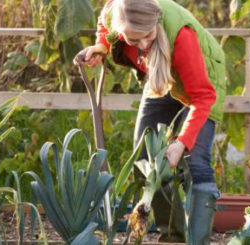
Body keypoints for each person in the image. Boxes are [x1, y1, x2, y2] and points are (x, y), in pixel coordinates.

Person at [75, 0, 226, 243]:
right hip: (160, 75)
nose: (143, 44)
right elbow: (105, 25)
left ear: (156, 22)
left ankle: (198, 241)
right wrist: (101, 46)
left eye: (148, 35)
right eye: (133, 40)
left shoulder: (182, 38)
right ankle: (173, 238)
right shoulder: (119, 14)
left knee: (195, 161)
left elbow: (203, 96)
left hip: (202, 80)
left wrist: (181, 142)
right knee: (145, 158)